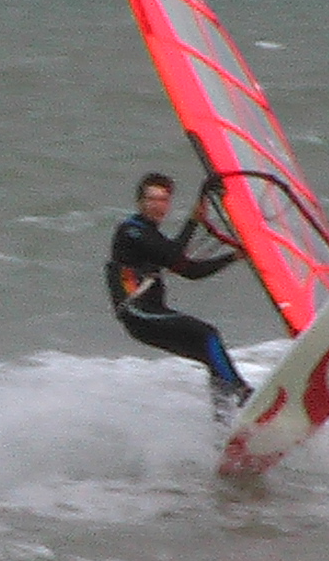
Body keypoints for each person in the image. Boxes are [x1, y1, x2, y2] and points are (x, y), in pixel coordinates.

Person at [105, 170, 252, 415]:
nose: (157, 205)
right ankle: (243, 391)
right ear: (140, 202)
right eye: (152, 199)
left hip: (151, 315)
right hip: (138, 313)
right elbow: (174, 255)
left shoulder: (153, 235)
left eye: (163, 200)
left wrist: (234, 256)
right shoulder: (131, 231)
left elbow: (190, 271)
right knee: (208, 334)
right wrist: (195, 217)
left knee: (210, 355)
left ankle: (223, 423)